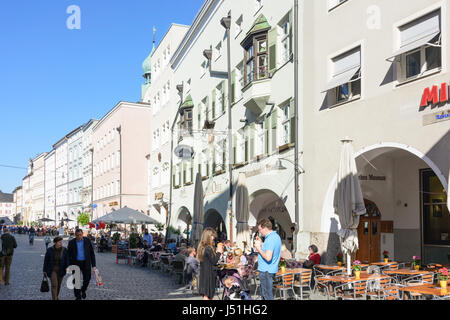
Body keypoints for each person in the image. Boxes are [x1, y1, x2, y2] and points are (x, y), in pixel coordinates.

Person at [253, 219, 281, 300]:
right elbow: (269, 248)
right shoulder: (275, 236)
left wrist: (258, 248)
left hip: (266, 271)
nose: (259, 232)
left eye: (260, 229)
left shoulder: (270, 239)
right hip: (269, 270)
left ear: (265, 228)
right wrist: (262, 243)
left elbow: (268, 257)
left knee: (266, 296)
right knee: (266, 294)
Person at [67, 228, 96, 300]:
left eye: (80, 235)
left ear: (82, 234)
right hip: (75, 263)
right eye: (77, 235)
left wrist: (94, 265)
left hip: (86, 263)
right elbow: (68, 254)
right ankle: (78, 296)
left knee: (87, 279)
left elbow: (92, 253)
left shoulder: (87, 241)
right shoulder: (71, 242)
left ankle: (83, 290)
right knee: (76, 281)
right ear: (75, 235)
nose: (79, 237)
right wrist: (68, 265)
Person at [197, 228, 223, 300]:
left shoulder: (203, 247)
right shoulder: (208, 248)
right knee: (207, 296)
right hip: (208, 274)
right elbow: (214, 261)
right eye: (212, 236)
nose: (213, 237)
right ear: (208, 236)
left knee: (206, 295)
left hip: (205, 273)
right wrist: (219, 252)